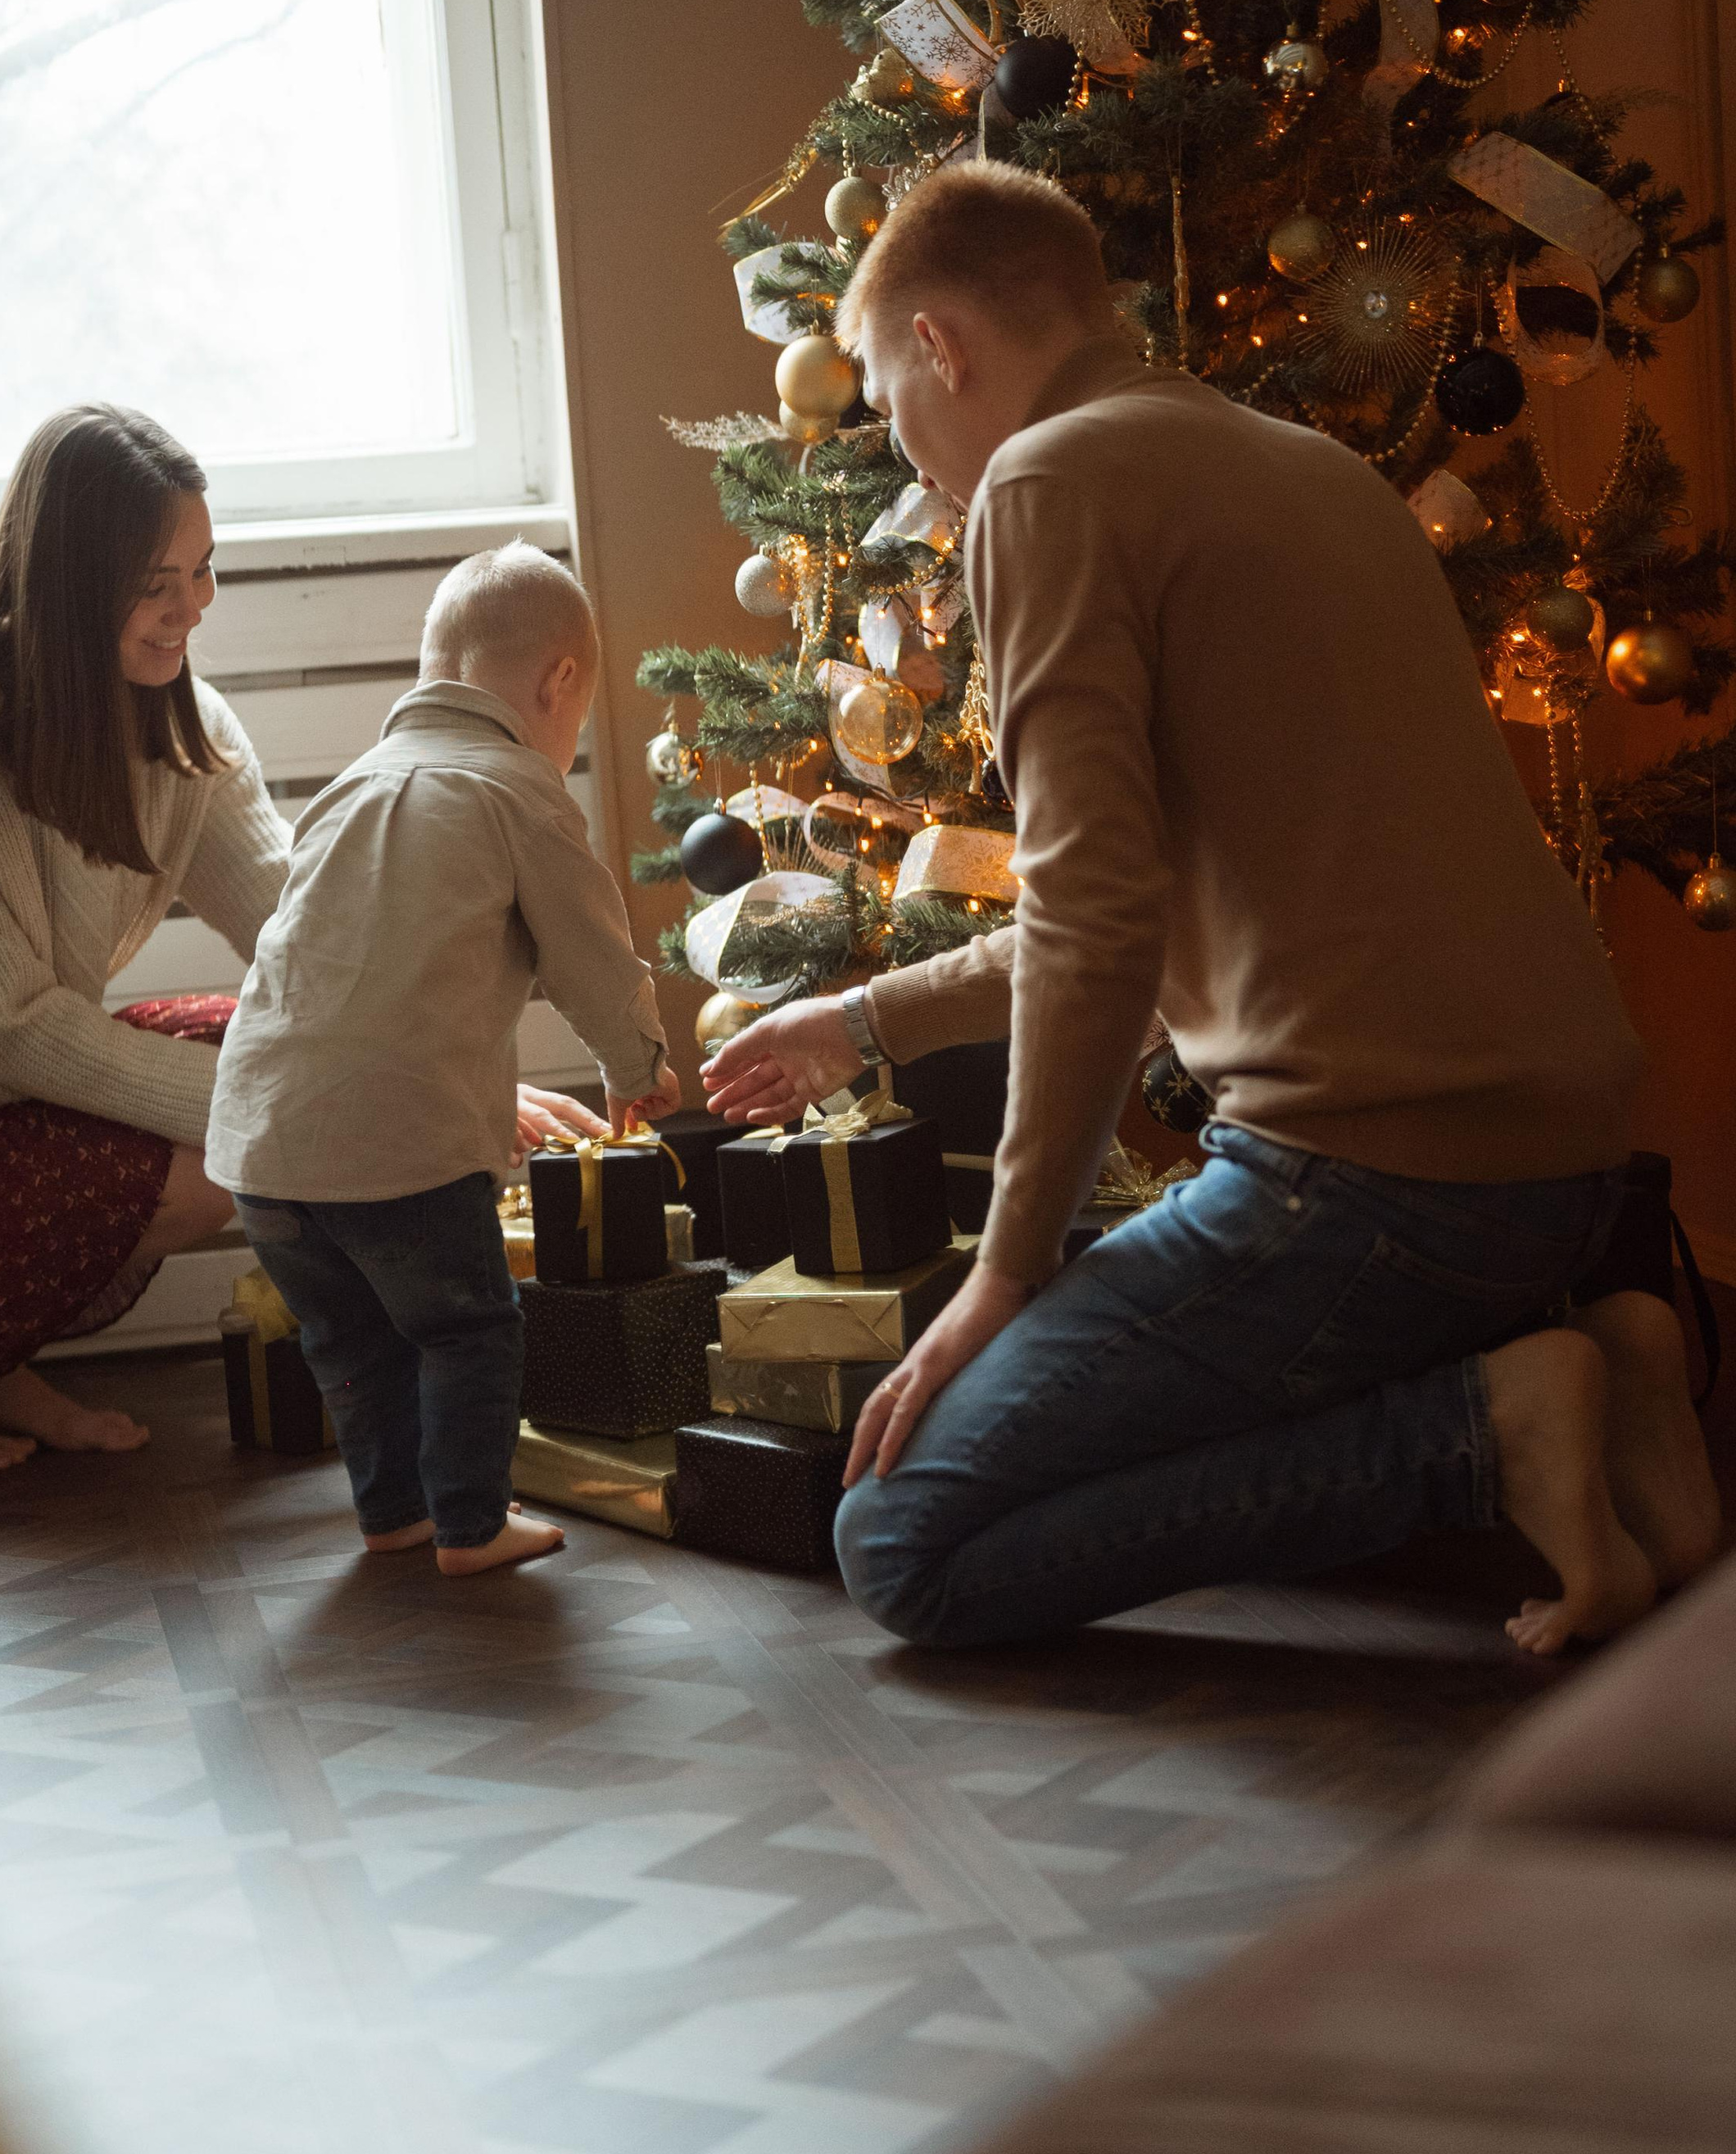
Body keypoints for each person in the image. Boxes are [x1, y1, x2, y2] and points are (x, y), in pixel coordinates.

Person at [704, 162, 1724, 1657]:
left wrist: (1006, 1271)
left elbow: (1093, 922)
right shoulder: (1304, 465)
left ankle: (1493, 1429)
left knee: (906, 1538)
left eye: (881, 392)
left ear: (941, 344)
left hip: (1374, 1188)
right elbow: (1136, 895)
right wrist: (861, 1019)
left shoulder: (1047, 486)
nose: (902, 452)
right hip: (1562, 1170)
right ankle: (1615, 1368)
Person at [0, 401, 614, 1484]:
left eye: (204, 570)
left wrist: (437, 1071)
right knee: (261, 1136)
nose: (192, 608)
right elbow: (18, 1032)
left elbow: (305, 932)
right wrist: (352, 1102)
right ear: (66, 581)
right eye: (155, 581)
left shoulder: (186, 726)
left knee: (289, 1076)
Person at [207, 541, 680, 1577]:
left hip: (259, 1147)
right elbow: (592, 957)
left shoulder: (345, 790)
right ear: (559, 682)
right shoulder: (518, 788)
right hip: (398, 1145)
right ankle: (471, 1522)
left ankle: (393, 1515)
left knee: (353, 1343)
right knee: (468, 1327)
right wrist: (635, 1062)